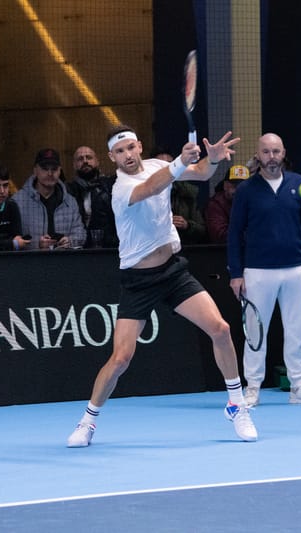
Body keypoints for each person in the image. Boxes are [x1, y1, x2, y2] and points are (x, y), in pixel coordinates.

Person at [66, 125, 257, 447]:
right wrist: (178, 163)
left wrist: (211, 161)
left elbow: (198, 174)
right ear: (112, 157)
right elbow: (152, 188)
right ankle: (87, 422)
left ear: (139, 146)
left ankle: (237, 406)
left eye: (131, 147)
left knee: (221, 329)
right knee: (121, 359)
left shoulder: (157, 165)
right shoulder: (121, 189)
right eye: (120, 151)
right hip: (138, 281)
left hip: (173, 272)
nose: (127, 155)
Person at [228, 133, 301, 408]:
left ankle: (299, 386)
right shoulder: (246, 190)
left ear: (283, 153)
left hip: (296, 270)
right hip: (257, 273)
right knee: (255, 332)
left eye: (276, 151)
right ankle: (252, 388)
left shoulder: (298, 184)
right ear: (258, 155)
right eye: (266, 152)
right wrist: (236, 273)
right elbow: (234, 233)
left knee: (297, 330)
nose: (271, 157)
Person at [12, 148, 86, 250]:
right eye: (45, 169)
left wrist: (70, 241)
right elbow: (12, 240)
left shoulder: (70, 201)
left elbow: (81, 234)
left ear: (60, 171)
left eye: (54, 169)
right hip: (30, 263)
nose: (50, 173)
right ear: (35, 170)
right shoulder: (17, 201)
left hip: (64, 262)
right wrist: (37, 244)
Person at [66, 146, 118, 248]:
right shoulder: (68, 191)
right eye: (80, 159)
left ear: (97, 161)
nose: (85, 161)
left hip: (108, 248)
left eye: (89, 157)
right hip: (77, 249)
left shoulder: (110, 186)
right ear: (74, 165)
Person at [205, 164, 248, 243]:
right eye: (235, 186)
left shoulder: (252, 202)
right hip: (223, 252)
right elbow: (219, 235)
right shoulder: (215, 204)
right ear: (225, 186)